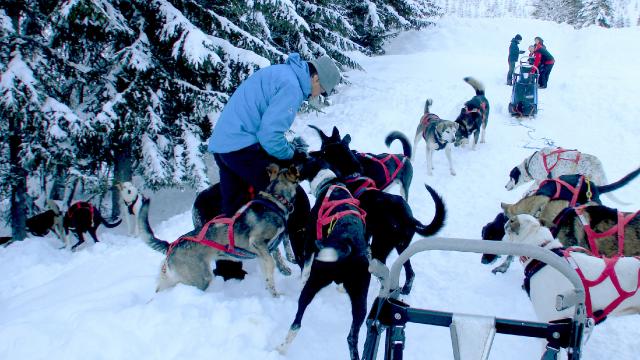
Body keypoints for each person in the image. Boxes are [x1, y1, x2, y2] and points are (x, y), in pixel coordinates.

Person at [208, 53, 341, 217]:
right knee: (295, 200)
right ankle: (301, 241)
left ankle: (233, 241)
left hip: (224, 146)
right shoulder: (292, 87)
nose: (317, 95)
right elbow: (269, 135)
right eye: (321, 90)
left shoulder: (283, 73)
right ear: (315, 78)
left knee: (237, 213)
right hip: (241, 148)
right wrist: (292, 155)